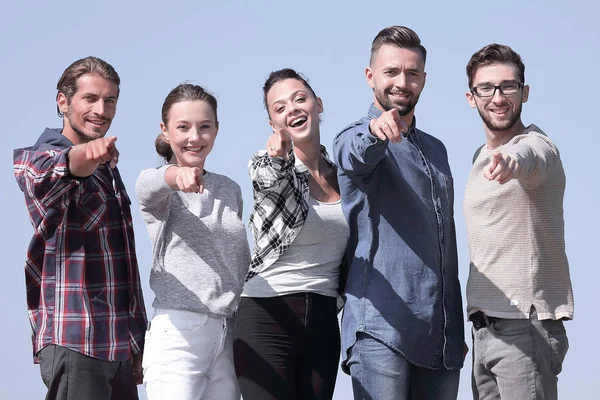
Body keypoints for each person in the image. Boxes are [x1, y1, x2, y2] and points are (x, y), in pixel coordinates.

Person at [332, 26, 464, 400]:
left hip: (441, 338)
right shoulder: (354, 135)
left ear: (423, 79)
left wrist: (454, 330)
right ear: (370, 76)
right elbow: (352, 153)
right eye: (391, 72)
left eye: (412, 73)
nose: (401, 82)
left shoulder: (437, 150)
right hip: (380, 330)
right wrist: (375, 130)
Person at [13, 56, 147, 400]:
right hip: (75, 337)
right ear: (63, 101)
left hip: (117, 343)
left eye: (110, 100)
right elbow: (61, 169)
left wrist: (137, 338)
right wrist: (87, 156)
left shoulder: (108, 169)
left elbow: (123, 261)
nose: (101, 109)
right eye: (90, 99)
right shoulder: (40, 157)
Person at [463, 43, 573, 400]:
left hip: (525, 327)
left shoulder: (539, 146)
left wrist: (511, 160)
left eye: (508, 86)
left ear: (524, 92)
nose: (498, 97)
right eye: (487, 88)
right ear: (471, 97)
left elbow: (529, 155)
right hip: (484, 331)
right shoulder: (479, 158)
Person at [233, 68, 348, 400]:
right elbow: (269, 180)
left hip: (324, 320)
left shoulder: (346, 177)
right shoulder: (268, 163)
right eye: (280, 107)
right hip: (266, 314)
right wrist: (279, 157)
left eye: (300, 99)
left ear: (318, 104)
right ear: (273, 124)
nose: (293, 109)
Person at [136, 83, 250, 400]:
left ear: (216, 129)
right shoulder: (159, 187)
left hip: (228, 335)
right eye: (183, 127)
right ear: (165, 131)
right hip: (178, 334)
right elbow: (148, 185)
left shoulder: (230, 189)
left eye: (204, 127)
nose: (194, 137)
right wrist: (177, 177)